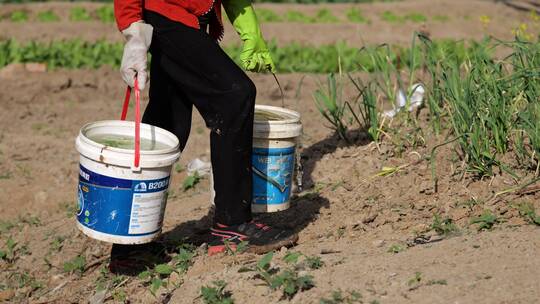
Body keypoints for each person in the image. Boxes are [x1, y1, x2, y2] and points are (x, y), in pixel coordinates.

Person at [110, 0, 298, 268]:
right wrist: (131, 27)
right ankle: (232, 223)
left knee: (168, 122)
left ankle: (130, 245)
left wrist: (249, 28)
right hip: (168, 17)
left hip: (187, 21)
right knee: (234, 96)